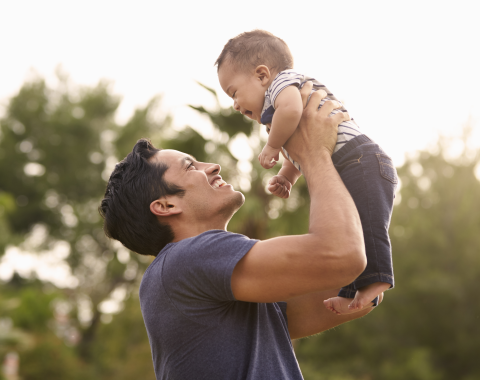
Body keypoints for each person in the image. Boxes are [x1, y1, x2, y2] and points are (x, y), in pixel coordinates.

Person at [99, 85, 382, 379]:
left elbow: (358, 289)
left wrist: (343, 158)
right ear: (166, 205)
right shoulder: (187, 259)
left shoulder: (219, 285)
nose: (212, 166)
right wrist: (313, 154)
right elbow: (343, 256)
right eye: (190, 166)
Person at [216, 30, 398, 315]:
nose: (235, 104)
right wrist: (288, 175)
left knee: (368, 223)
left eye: (234, 92)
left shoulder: (282, 85)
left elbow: (292, 111)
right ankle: (353, 291)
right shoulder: (274, 106)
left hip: (360, 159)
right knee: (349, 230)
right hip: (349, 163)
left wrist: (272, 146)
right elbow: (300, 148)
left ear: (262, 75)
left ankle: (377, 282)